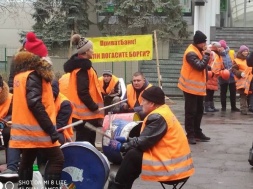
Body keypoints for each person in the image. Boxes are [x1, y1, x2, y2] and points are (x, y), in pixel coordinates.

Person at [107, 86, 194, 189]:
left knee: (133, 155)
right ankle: (120, 183)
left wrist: (122, 146)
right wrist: (128, 140)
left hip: (173, 169)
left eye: (144, 100)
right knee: (133, 155)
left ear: (152, 103)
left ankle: (118, 185)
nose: (141, 103)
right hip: (178, 167)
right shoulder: (164, 112)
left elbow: (142, 143)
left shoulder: (158, 117)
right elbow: (147, 140)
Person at [9, 32, 64, 188]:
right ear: (40, 57)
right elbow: (35, 103)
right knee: (57, 159)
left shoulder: (20, 75)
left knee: (26, 160)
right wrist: (50, 130)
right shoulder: (35, 75)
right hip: (39, 129)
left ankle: (24, 186)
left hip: (25, 129)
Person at [63, 34, 104, 146]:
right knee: (85, 144)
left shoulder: (80, 68)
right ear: (85, 52)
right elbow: (83, 92)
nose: (93, 52)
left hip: (85, 115)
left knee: (85, 142)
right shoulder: (83, 69)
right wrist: (94, 107)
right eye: (91, 49)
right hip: (86, 115)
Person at [178, 30, 211, 144]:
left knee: (199, 111)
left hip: (197, 87)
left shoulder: (198, 50)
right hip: (189, 87)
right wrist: (207, 54)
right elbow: (199, 66)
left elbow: (203, 65)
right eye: (203, 42)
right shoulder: (191, 53)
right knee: (190, 112)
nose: (205, 45)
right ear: (198, 42)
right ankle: (190, 134)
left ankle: (197, 132)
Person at [0, 77, 20, 179]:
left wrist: (4, 123)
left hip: (6, 125)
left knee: (9, 133)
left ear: (2, 87)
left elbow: (14, 114)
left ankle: (11, 165)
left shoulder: (11, 98)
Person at [218, 40, 240, 112]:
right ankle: (223, 107)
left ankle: (233, 107)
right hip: (223, 75)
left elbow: (235, 62)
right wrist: (223, 71)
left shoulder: (231, 52)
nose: (219, 48)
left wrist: (233, 69)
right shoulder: (218, 54)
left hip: (232, 76)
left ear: (224, 47)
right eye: (218, 47)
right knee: (223, 92)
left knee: (233, 92)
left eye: (220, 47)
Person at [232, 45, 253, 115]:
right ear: (241, 52)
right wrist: (240, 73)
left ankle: (249, 107)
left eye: (247, 51)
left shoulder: (249, 59)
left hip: (249, 80)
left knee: (249, 94)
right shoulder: (237, 60)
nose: (246, 52)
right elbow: (234, 70)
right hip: (242, 81)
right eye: (244, 51)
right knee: (243, 95)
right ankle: (243, 109)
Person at [204, 42, 222, 112]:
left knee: (211, 92)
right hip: (210, 75)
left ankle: (211, 106)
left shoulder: (217, 54)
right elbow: (207, 62)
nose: (220, 48)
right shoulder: (212, 53)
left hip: (214, 75)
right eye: (219, 47)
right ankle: (207, 107)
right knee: (208, 92)